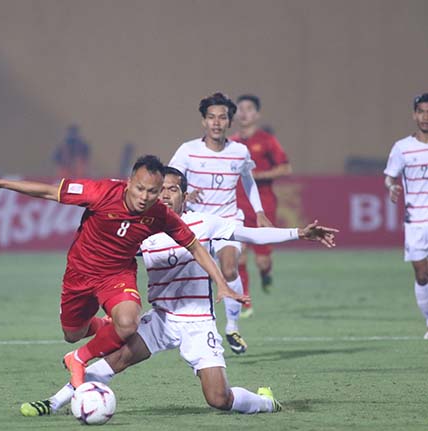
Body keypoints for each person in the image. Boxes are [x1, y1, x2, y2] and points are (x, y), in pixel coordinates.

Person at [20, 167, 337, 416]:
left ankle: (266, 403)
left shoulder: (205, 223)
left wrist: (299, 232)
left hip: (198, 323)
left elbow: (250, 234)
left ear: (186, 195)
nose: (167, 195)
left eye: (174, 189)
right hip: (161, 319)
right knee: (108, 362)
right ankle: (53, 402)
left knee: (218, 399)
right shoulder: (144, 228)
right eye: (163, 190)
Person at [0, 155, 244, 388]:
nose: (145, 197)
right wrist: (0, 183)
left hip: (117, 275)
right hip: (80, 273)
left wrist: (221, 283)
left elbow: (195, 246)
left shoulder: (160, 214)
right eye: (140, 189)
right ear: (129, 182)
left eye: (152, 192)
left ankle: (79, 357)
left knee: (128, 322)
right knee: (72, 333)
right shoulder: (101, 192)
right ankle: (100, 327)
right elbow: (49, 192)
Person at [169, 92, 271, 354]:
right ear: (204, 121)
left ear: (229, 122)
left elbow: (247, 180)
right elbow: (169, 182)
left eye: (222, 117)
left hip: (226, 220)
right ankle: (190, 329)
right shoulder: (188, 150)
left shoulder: (239, 152)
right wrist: (185, 192)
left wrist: (258, 211)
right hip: (196, 223)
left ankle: (232, 327)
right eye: (211, 117)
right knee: (193, 280)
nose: (216, 122)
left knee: (229, 269)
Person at [232, 94, 292, 317]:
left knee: (262, 260)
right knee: (239, 255)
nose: (244, 113)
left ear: (257, 114)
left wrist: (257, 175)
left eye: (249, 109)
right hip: (236, 207)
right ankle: (245, 301)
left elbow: (286, 168)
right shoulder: (232, 143)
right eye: (240, 109)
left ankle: (266, 274)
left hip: (263, 206)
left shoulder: (266, 140)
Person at [384, 92, 428, 339]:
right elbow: (390, 176)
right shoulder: (403, 148)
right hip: (416, 221)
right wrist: (392, 187)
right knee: (422, 275)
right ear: (414, 114)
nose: (425, 116)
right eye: (421, 111)